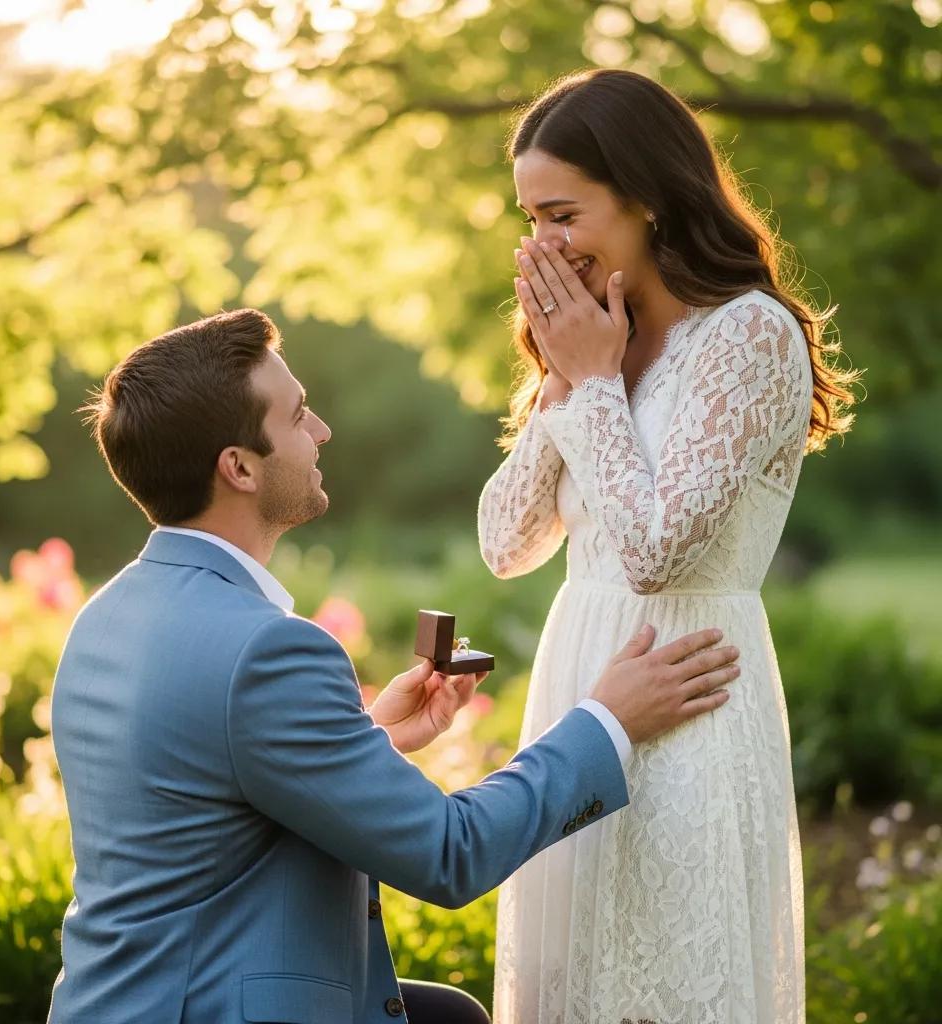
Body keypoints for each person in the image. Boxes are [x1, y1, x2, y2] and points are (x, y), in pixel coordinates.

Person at [46, 307, 740, 1023]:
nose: (322, 432)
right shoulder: (267, 652)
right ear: (240, 467)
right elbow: (448, 853)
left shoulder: (102, 620)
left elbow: (205, 791)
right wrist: (608, 721)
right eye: (299, 415)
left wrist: (365, 738)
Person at [478, 68, 858, 1024]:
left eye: (562, 213)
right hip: (581, 687)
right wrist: (565, 383)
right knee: (572, 983)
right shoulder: (594, 339)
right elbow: (504, 543)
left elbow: (656, 554)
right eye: (530, 219)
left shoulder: (749, 337)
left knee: (674, 984)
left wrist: (593, 381)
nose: (543, 246)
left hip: (693, 695)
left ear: (645, 197)